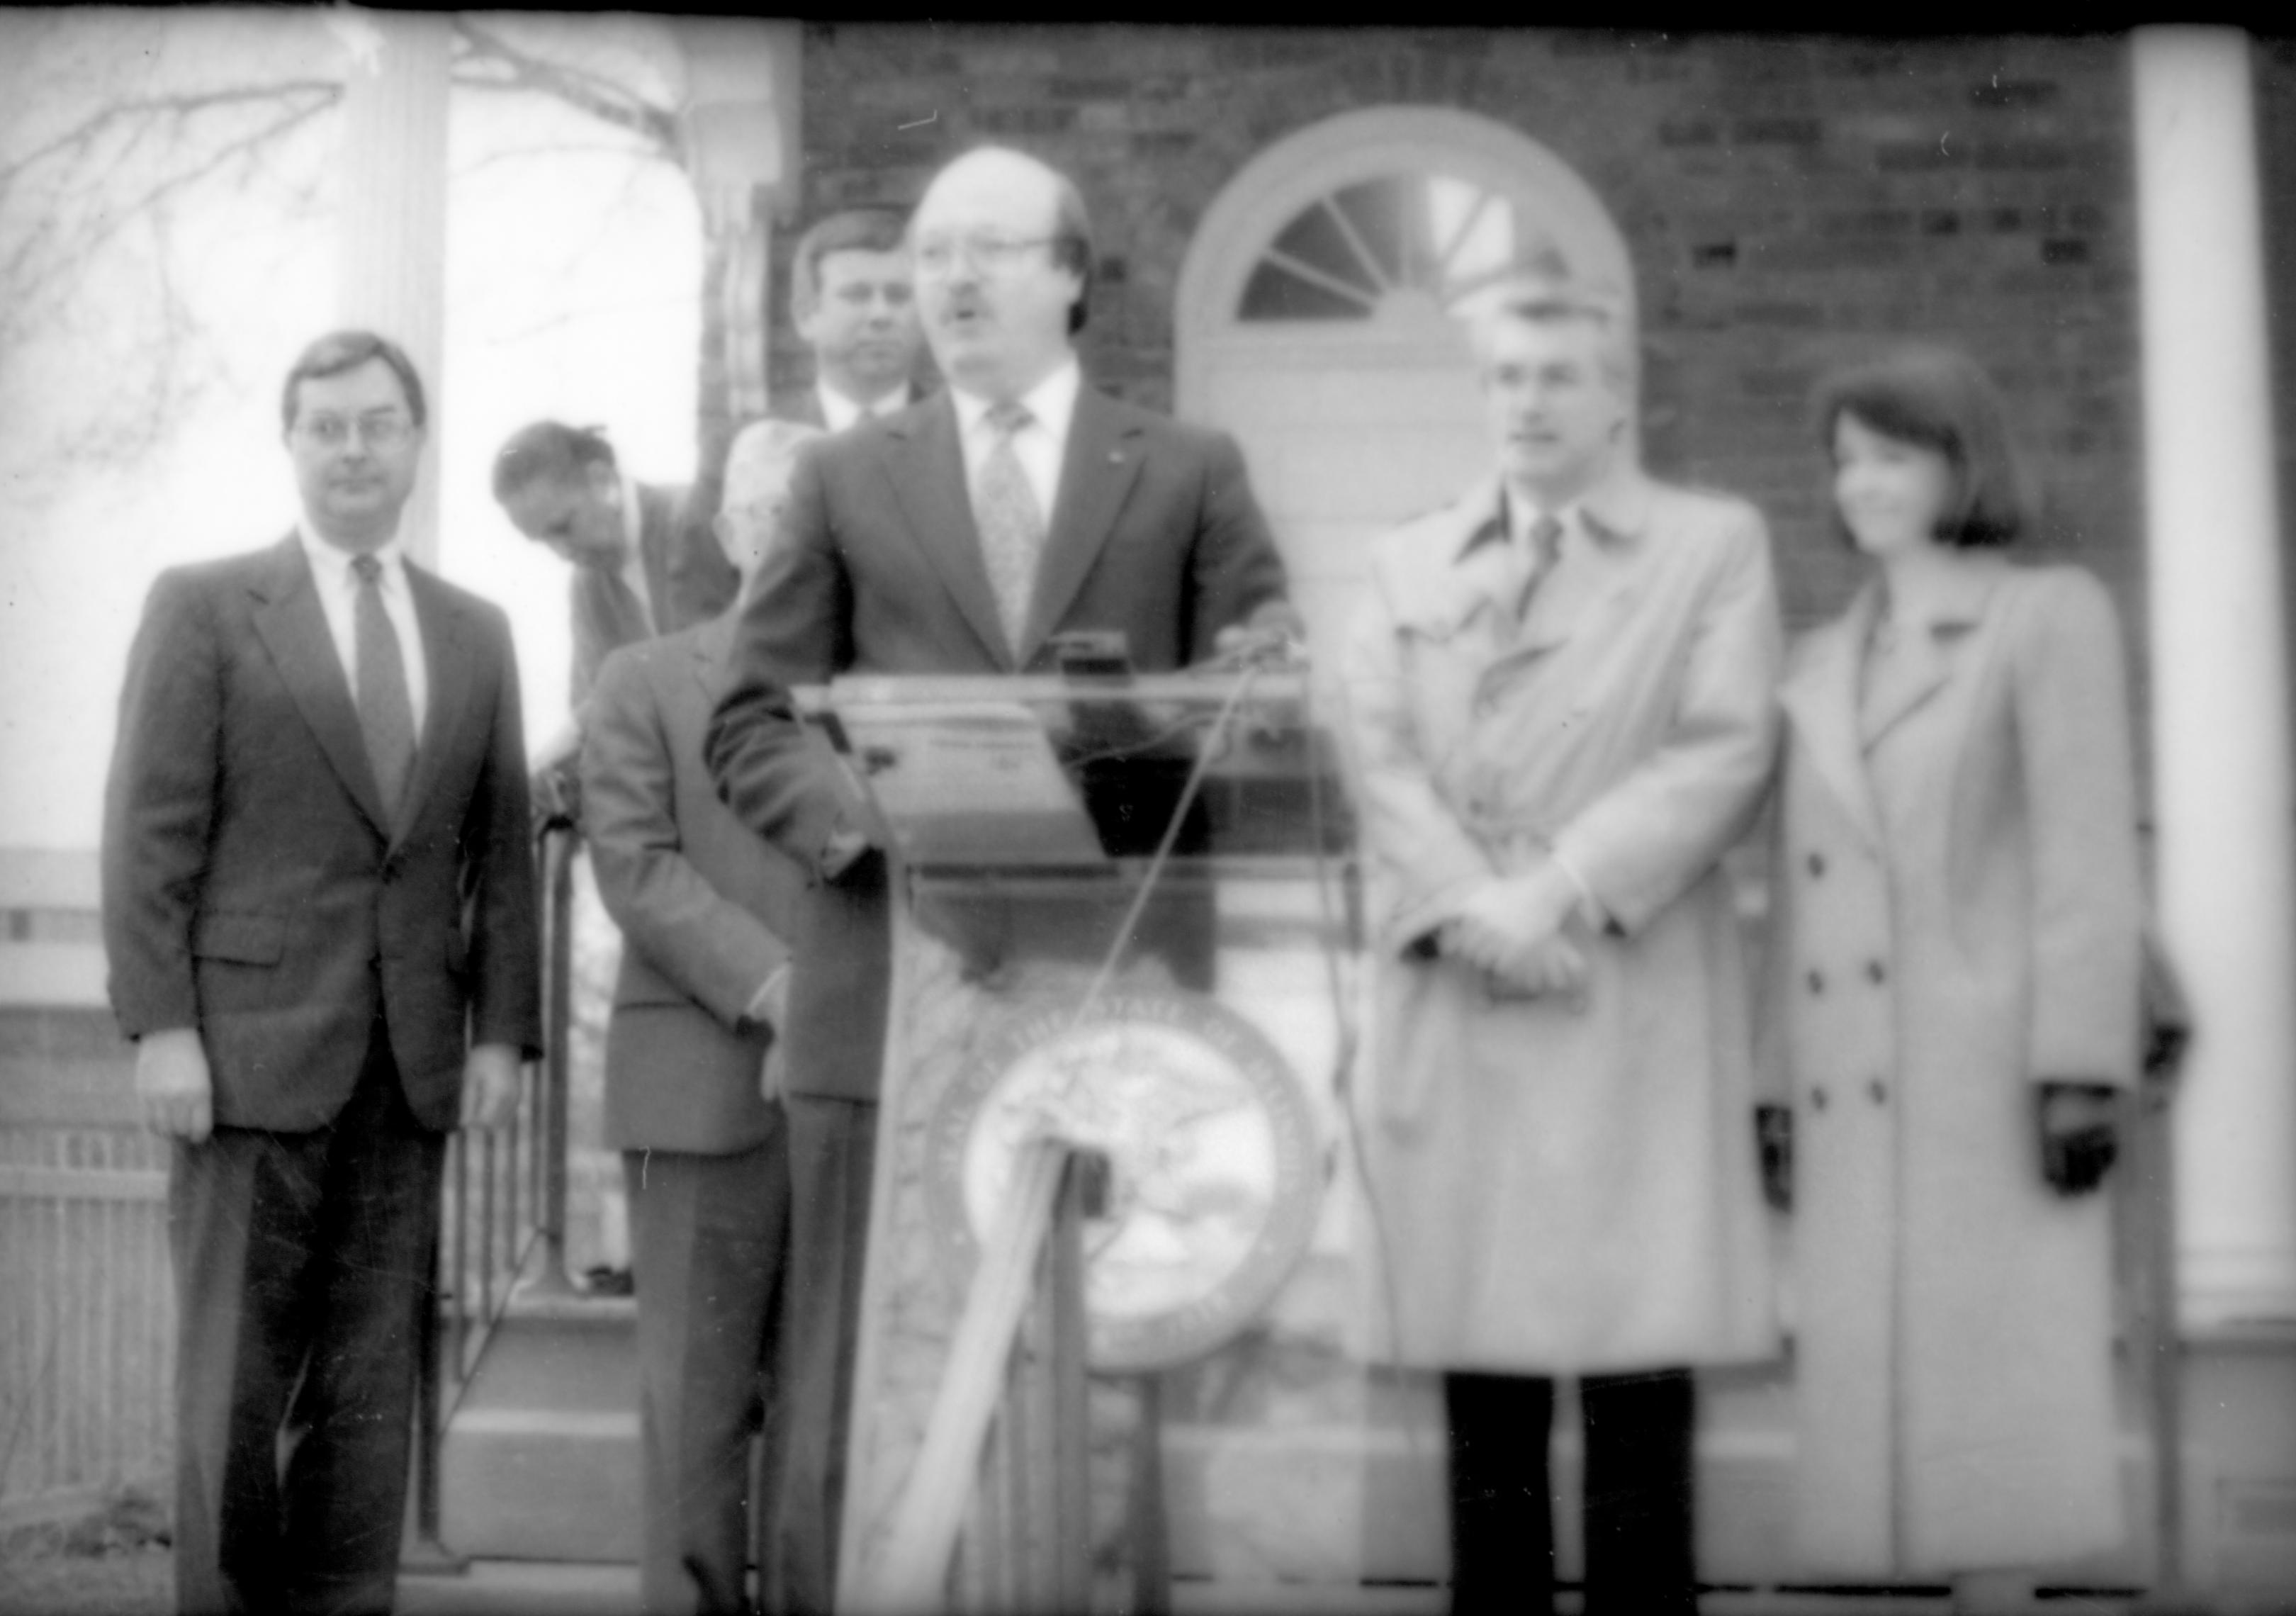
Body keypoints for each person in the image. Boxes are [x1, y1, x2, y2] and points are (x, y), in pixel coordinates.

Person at [704, 144, 1295, 1615]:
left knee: (1108, 1371)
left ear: (1070, 277)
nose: (949, 279)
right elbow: (750, 718)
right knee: (896, 1376)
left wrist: (1208, 709)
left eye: (988, 249)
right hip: (916, 980)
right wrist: (878, 831)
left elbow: (1254, 693)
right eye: (931, 255)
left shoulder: (1185, 469)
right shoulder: (848, 476)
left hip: (1123, 988)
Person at [1339, 278, 1782, 1616]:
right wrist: (1479, 907)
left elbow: (1726, 745)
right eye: (1505, 378)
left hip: (1619, 984)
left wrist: (1559, 891)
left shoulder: (1709, 546)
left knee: (1638, 1358)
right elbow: (1377, 754)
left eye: (1556, 378)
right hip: (1464, 986)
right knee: (1486, 1370)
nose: (1526, 403)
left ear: (1619, 398)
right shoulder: (1407, 560)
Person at [101, 330, 539, 1615]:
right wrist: (162, 1029)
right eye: (329, 425)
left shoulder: (476, 631)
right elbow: (149, 834)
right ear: (291, 445)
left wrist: (503, 1033)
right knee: (234, 1392)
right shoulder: (206, 604)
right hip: (244, 1061)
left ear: (416, 441)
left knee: (366, 1393)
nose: (356, 447)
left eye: (380, 423)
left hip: (408, 1070)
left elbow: (499, 851)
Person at [1762, 347, 2142, 1609]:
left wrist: (2081, 1070)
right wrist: (1775, 1079)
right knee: (1879, 1436)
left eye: (1893, 455)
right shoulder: (1821, 659)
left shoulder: (2046, 615)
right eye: (1846, 458)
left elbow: (2086, 862)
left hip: (1988, 1081)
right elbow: (1796, 900)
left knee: (1995, 1413)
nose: (1861, 482)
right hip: (1848, 1085)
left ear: (1960, 463)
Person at [580, 419, 821, 1616]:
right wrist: (783, 990)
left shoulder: (892, 691)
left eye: (814, 513)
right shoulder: (642, 680)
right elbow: (634, 865)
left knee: (836, 1407)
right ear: (728, 532)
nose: (788, 538)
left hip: (857, 1101)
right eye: (766, 512)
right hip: (705, 1088)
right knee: (697, 1411)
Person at [492, 421, 742, 791]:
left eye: (562, 527)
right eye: (543, 540)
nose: (561, 553)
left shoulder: (697, 521)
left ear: (602, 481)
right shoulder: (586, 586)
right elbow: (597, 719)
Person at [783, 208, 927, 430]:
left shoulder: (964, 440)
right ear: (806, 317)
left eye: (898, 295)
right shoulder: (757, 446)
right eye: (857, 295)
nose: (881, 314)